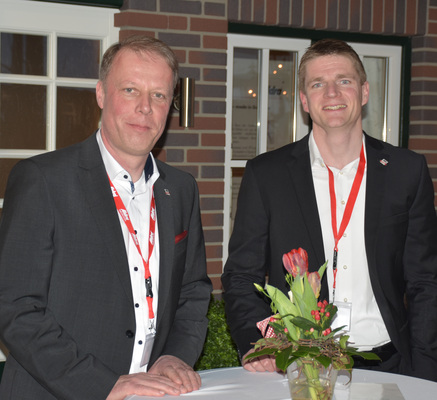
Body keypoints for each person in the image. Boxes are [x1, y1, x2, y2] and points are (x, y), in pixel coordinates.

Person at [0, 35, 212, 399]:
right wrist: (103, 384)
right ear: (101, 94)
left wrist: (174, 355)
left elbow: (193, 290)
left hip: (153, 391)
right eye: (130, 90)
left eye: (159, 95)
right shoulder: (43, 180)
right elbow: (16, 309)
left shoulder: (180, 189)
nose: (145, 107)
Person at [221, 38, 437, 381]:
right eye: (318, 84)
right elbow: (241, 276)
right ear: (304, 100)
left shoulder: (405, 171)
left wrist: (425, 370)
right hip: (298, 367)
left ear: (364, 92)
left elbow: (426, 280)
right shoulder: (267, 175)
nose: (332, 93)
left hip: (391, 365)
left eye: (344, 81)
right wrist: (261, 342)